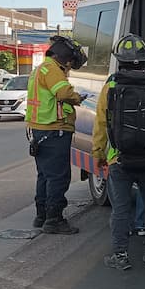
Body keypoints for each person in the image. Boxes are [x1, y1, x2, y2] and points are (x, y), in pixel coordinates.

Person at [93, 34, 145, 270]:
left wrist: (98, 154)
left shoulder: (110, 85)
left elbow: (101, 124)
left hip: (119, 159)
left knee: (120, 210)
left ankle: (120, 256)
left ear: (119, 60)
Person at [26, 35, 88, 235]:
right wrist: (77, 98)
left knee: (45, 175)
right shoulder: (52, 70)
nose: (69, 67)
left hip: (41, 129)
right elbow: (63, 94)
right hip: (54, 128)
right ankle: (54, 220)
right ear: (64, 57)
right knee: (59, 177)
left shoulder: (40, 69)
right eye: (70, 63)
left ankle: (41, 215)